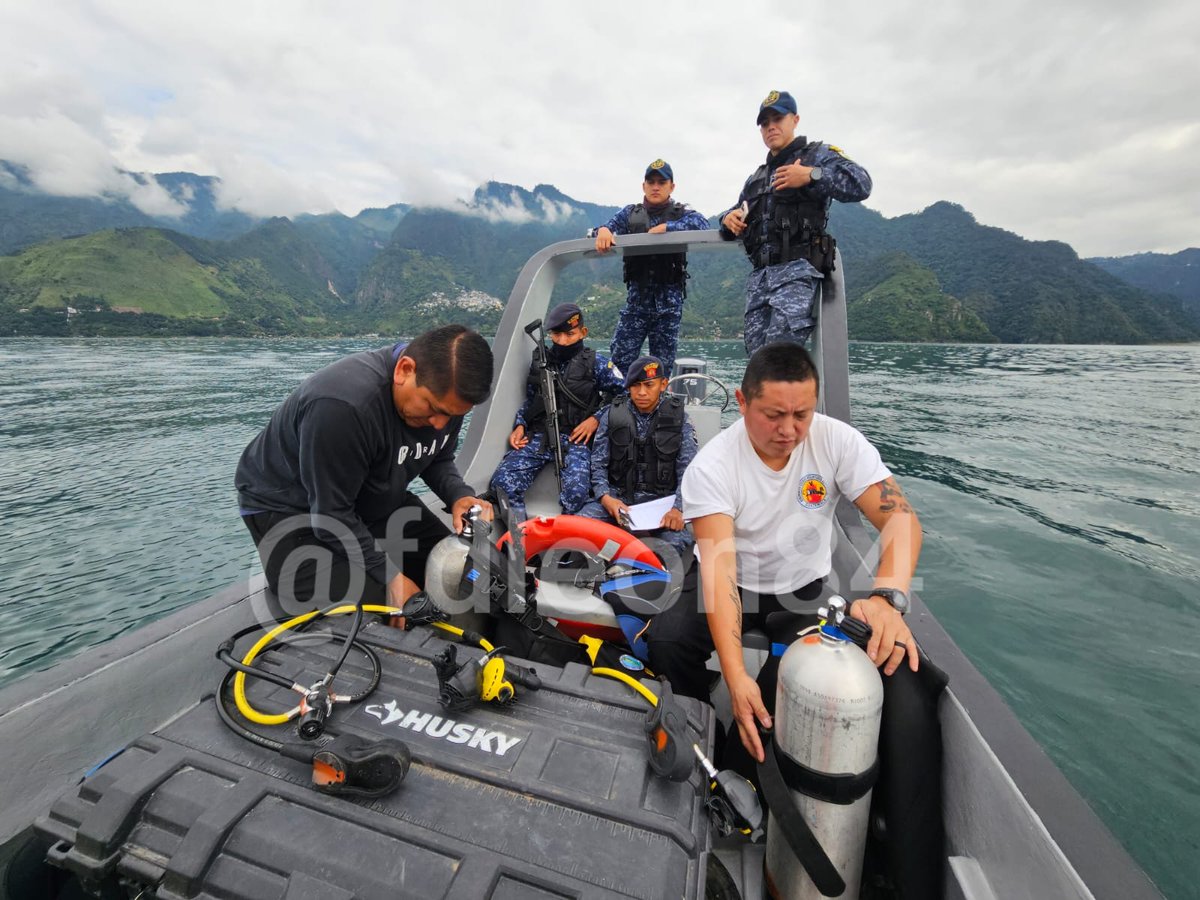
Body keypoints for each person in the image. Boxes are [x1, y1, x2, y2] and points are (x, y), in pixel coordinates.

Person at [647, 342, 921, 761]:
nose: (789, 430)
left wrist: (887, 598)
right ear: (741, 402)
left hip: (800, 585)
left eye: (802, 415)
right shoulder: (713, 467)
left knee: (800, 675)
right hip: (728, 580)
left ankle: (743, 767)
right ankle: (703, 728)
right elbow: (719, 574)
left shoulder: (838, 442)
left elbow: (900, 520)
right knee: (667, 641)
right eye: (773, 415)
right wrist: (736, 675)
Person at [235, 325, 494, 616]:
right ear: (404, 370)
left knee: (465, 572)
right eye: (433, 408)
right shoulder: (342, 407)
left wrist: (457, 495)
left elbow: (436, 458)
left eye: (452, 415)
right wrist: (391, 577)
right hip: (292, 513)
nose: (439, 424)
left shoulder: (445, 404)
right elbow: (329, 514)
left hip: (367, 498)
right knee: (389, 613)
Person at [719, 90, 872, 354]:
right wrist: (727, 219)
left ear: (795, 119)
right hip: (760, 282)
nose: (771, 127)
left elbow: (862, 183)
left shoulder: (816, 156)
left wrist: (812, 175)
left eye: (777, 118)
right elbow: (739, 210)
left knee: (780, 361)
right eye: (764, 123)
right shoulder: (757, 177)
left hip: (795, 276)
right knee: (759, 365)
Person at [491, 302, 625, 525]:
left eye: (570, 334)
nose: (562, 341)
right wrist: (520, 423)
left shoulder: (597, 363)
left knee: (576, 493)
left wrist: (596, 419)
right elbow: (532, 400)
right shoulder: (540, 362)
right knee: (503, 483)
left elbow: (624, 395)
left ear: (583, 332)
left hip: (577, 438)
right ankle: (520, 543)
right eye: (556, 335)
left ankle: (564, 545)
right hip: (540, 436)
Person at [593, 159, 710, 377]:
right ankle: (618, 406)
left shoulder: (682, 213)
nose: (656, 187)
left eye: (662, 182)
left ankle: (658, 409)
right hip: (636, 304)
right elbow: (605, 230)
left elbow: (703, 225)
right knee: (619, 361)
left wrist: (670, 228)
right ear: (643, 186)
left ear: (671, 187)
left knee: (661, 368)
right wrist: (603, 230)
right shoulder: (629, 214)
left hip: (669, 307)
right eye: (651, 182)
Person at [575, 355, 699, 559]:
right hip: (618, 500)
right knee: (578, 528)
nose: (641, 392)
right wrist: (606, 498)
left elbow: (689, 470)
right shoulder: (612, 414)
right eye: (635, 386)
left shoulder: (679, 419)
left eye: (649, 385)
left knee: (672, 548)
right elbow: (598, 464)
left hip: (662, 505)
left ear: (663, 384)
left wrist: (678, 509)